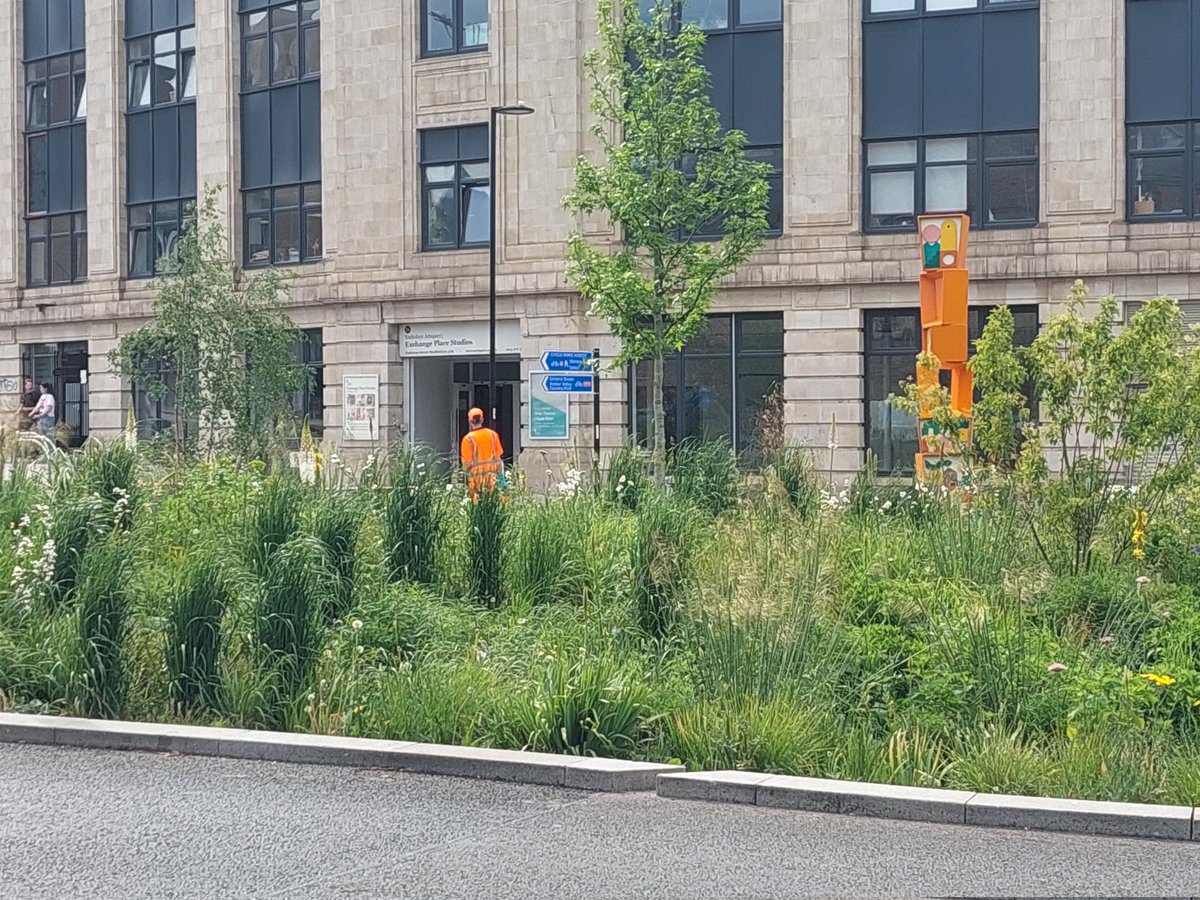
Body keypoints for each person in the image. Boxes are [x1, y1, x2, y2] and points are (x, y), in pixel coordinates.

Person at [460, 407, 504, 501]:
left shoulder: (467, 439)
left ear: (470, 421)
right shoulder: (493, 435)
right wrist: (502, 479)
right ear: (482, 419)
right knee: (493, 504)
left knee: (478, 508)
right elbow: (498, 459)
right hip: (492, 478)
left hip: (476, 482)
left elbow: (466, 465)